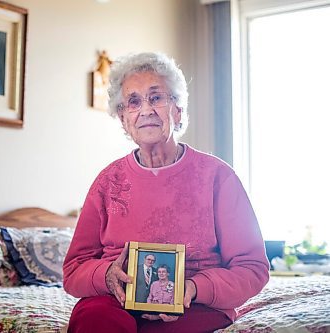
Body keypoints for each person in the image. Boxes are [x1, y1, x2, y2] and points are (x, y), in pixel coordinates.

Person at [62, 52, 270, 333]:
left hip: (196, 306)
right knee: (94, 320)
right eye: (133, 101)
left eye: (156, 97)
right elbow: (74, 269)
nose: (145, 109)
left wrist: (194, 288)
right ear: (123, 118)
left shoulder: (218, 177)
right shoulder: (107, 182)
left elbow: (252, 267)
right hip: (115, 302)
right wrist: (107, 275)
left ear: (178, 110)